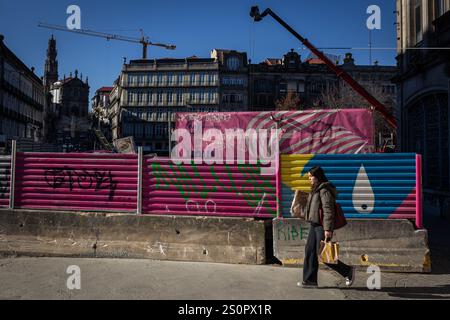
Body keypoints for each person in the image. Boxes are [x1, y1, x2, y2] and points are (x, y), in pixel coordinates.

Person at [297, 166, 355, 288]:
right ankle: (309, 281)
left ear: (317, 177)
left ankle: (347, 271)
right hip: (314, 225)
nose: (309, 179)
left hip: (321, 226)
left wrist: (328, 229)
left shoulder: (324, 190)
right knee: (310, 252)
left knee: (324, 254)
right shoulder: (316, 189)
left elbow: (328, 210)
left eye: (311, 177)